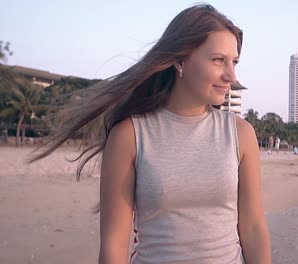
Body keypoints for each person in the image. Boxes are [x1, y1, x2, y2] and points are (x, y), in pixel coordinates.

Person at [30, 4, 271, 264]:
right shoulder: (130, 136)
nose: (231, 76)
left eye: (234, 62)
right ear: (180, 60)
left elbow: (253, 228)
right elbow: (114, 245)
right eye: (218, 60)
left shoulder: (240, 134)